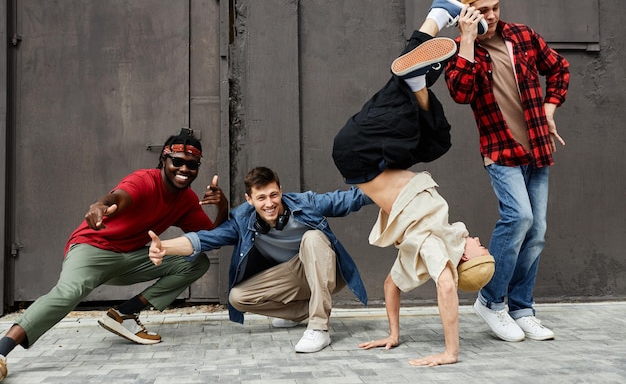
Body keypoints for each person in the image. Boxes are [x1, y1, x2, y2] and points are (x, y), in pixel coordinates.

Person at [332, 0, 494, 366]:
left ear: (468, 261)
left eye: (481, 250)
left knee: (403, 95)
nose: (480, 241)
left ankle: (422, 69)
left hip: (361, 153)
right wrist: (393, 332)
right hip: (370, 154)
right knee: (435, 136)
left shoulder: (439, 248)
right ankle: (433, 31)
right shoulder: (420, 254)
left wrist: (450, 351)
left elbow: (448, 285)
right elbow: (391, 285)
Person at [0, 128, 229, 381]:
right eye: (177, 162)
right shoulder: (144, 180)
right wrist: (100, 205)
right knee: (69, 293)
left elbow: (210, 239)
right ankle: (2, 351)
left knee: (195, 260)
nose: (184, 169)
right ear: (164, 160)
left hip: (129, 259)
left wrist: (223, 205)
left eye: (192, 165)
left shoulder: (186, 200)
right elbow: (120, 197)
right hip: (91, 249)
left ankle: (124, 313)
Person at [444, 0, 570, 342]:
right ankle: (491, 300)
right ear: (467, 11)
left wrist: (549, 107)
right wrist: (467, 38)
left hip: (537, 150)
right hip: (501, 151)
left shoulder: (523, 36)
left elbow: (559, 68)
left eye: (495, 7)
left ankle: (522, 307)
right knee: (519, 218)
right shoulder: (460, 49)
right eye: (483, 10)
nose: (492, 15)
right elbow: (460, 93)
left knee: (537, 231)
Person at [148, 166, 372, 354]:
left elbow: (349, 199)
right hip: (293, 276)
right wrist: (164, 247)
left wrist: (389, 187)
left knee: (312, 237)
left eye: (274, 195)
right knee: (238, 297)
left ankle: (319, 328)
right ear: (249, 199)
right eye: (261, 198)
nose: (269, 203)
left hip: (327, 271)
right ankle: (299, 312)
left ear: (281, 191)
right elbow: (205, 239)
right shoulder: (243, 221)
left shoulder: (306, 203)